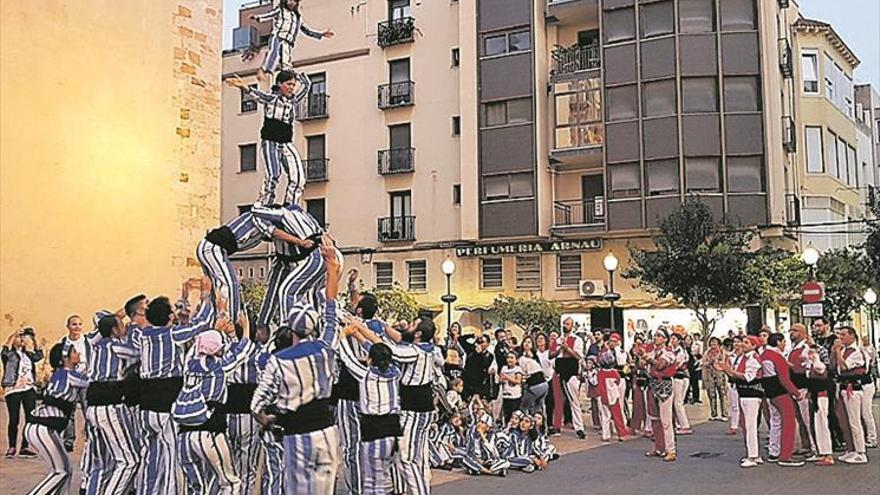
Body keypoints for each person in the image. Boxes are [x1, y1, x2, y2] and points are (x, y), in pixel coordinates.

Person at [251, 238, 343, 495]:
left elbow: (256, 405)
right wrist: (332, 266)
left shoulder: (279, 361)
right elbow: (331, 308)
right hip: (325, 432)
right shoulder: (326, 348)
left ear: (291, 327)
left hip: (296, 434)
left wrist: (266, 419)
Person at [136, 281, 215, 495]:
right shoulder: (172, 335)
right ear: (170, 317)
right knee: (172, 456)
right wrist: (206, 295)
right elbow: (202, 323)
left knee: (150, 455)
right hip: (165, 400)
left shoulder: (143, 335)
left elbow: (172, 320)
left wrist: (183, 296)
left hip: (146, 404)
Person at [174, 315, 252, 495]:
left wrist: (215, 330)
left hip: (183, 436)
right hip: (209, 431)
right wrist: (245, 329)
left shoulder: (189, 364)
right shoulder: (218, 367)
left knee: (198, 488)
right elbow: (242, 352)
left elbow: (198, 346)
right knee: (230, 483)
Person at [196, 210, 301, 323]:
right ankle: (230, 324)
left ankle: (211, 321)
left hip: (209, 248)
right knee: (230, 285)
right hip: (213, 248)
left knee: (216, 290)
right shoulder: (261, 217)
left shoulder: (260, 229)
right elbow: (274, 232)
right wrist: (300, 241)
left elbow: (273, 235)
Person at [226, 71, 312, 206]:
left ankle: (291, 205)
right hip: (271, 142)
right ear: (279, 84)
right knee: (274, 175)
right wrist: (243, 86)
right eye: (289, 84)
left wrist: (301, 76)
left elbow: (306, 87)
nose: (291, 87)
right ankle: (266, 203)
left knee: (298, 178)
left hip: (286, 143)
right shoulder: (272, 99)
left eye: (293, 85)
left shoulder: (292, 101)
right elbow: (259, 96)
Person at [338, 320, 403, 495]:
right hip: (394, 428)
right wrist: (357, 333)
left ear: (370, 359)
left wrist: (343, 336)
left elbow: (347, 359)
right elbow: (377, 350)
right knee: (391, 469)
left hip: (373, 429)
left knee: (373, 479)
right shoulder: (396, 373)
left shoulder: (366, 376)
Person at [83, 313, 140, 494]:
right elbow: (139, 354)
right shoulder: (116, 346)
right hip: (109, 406)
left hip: (92, 406)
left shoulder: (94, 346)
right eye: (120, 325)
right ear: (114, 330)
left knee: (101, 464)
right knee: (129, 461)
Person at [24, 342, 89, 494]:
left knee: (66, 470)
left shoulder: (59, 373)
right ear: (65, 357)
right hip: (43, 428)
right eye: (74, 351)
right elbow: (91, 382)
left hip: (42, 427)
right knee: (61, 471)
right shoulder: (69, 374)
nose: (78, 353)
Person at [251, 0, 334, 78]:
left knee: (285, 57)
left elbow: (307, 30)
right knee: (274, 52)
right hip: (278, 35)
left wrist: (321, 34)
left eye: (294, 1)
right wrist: (258, 17)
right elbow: (270, 14)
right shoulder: (281, 10)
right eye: (289, 0)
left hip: (288, 40)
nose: (291, 3)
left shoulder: (297, 18)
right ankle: (265, 70)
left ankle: (286, 71)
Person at [716, 335, 764, 468]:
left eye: (746, 342)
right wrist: (726, 370)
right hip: (744, 393)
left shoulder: (753, 359)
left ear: (754, 346)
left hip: (752, 394)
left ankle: (753, 455)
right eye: (743, 342)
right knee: (747, 424)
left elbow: (748, 377)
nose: (743, 344)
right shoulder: (742, 357)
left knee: (750, 424)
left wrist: (728, 370)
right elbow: (735, 374)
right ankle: (753, 453)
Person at [760, 333, 804, 467]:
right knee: (789, 423)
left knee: (776, 422)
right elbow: (784, 379)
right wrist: (796, 393)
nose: (785, 344)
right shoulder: (776, 357)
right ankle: (785, 456)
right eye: (783, 341)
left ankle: (774, 451)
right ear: (778, 342)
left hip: (770, 393)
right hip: (781, 393)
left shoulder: (764, 355)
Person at [2, 328, 42, 459]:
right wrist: (13, 334)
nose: (21, 340)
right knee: (14, 418)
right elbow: (4, 350)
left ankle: (25, 447)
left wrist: (34, 339)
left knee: (30, 418)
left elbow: (39, 355)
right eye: (19, 338)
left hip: (28, 388)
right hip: (13, 388)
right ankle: (12, 447)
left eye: (23, 338)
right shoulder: (10, 355)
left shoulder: (29, 355)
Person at [832, 326, 869, 464]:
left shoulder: (857, 352)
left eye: (843, 335)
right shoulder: (843, 350)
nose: (840, 338)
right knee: (844, 420)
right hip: (841, 386)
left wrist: (837, 352)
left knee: (854, 421)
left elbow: (844, 366)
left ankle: (860, 451)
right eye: (839, 335)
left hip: (852, 387)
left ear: (852, 336)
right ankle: (851, 448)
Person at [642, 328, 677, 462]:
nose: (655, 338)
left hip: (664, 385)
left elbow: (660, 365)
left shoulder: (669, 353)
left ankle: (671, 449)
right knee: (654, 418)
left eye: (659, 336)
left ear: (665, 339)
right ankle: (659, 446)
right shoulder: (652, 351)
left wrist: (646, 358)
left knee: (666, 420)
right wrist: (641, 359)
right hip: (652, 384)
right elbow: (642, 365)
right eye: (655, 335)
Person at [59, 315, 91, 453]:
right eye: (74, 324)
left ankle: (90, 438)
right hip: (70, 381)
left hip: (85, 380)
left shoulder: (87, 341)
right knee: (68, 411)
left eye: (79, 324)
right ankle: (68, 440)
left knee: (87, 411)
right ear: (68, 326)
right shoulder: (63, 343)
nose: (77, 327)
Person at [786, 324, 815, 456]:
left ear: (803, 333)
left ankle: (814, 446)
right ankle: (805, 444)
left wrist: (787, 364)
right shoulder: (793, 349)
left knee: (807, 419)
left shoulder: (805, 348)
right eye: (791, 330)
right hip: (794, 386)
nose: (792, 333)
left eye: (795, 331)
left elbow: (804, 368)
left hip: (803, 386)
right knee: (799, 418)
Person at [556, 317, 586, 439]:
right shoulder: (558, 339)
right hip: (560, 371)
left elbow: (579, 356)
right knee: (562, 401)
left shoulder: (577, 340)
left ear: (572, 326)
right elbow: (553, 355)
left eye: (567, 324)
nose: (565, 325)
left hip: (572, 371)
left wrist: (567, 348)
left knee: (574, 400)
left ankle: (579, 427)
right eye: (564, 323)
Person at [595, 351, 629, 442]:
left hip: (603, 397)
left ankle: (606, 435)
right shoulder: (614, 373)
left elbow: (597, 383)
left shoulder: (600, 373)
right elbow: (618, 382)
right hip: (613, 396)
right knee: (617, 416)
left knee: (605, 417)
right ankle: (621, 434)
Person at [668, 332, 692, 435]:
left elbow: (676, 365)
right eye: (671, 338)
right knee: (676, 402)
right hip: (675, 377)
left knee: (678, 402)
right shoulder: (672, 351)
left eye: (674, 339)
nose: (672, 340)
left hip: (680, 378)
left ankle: (684, 425)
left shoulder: (681, 352)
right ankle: (678, 423)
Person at [701, 337, 728, 422]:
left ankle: (724, 413)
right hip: (709, 374)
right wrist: (709, 362)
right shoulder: (707, 352)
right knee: (711, 395)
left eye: (715, 343)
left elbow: (724, 362)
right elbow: (703, 362)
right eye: (712, 343)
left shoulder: (722, 352)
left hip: (720, 374)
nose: (713, 344)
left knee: (722, 394)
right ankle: (713, 413)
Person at [859, 335, 878, 449]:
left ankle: (872, 438)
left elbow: (866, 369)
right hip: (860, 385)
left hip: (866, 384)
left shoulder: (864, 352)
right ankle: (865, 437)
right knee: (859, 414)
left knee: (866, 413)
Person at [725, 336, 743, 436]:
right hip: (732, 381)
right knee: (733, 404)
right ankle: (733, 425)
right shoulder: (730, 356)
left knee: (744, 404)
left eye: (738, 342)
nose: (736, 344)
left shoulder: (745, 356)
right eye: (735, 342)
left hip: (742, 381)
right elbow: (727, 367)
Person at [499, 352, 524, 422]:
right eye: (508, 357)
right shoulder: (504, 368)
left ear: (516, 360)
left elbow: (518, 381)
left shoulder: (518, 369)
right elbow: (500, 379)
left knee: (514, 415)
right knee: (506, 415)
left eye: (512, 358)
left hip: (515, 396)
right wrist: (501, 380)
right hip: (505, 395)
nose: (509, 360)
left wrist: (506, 377)